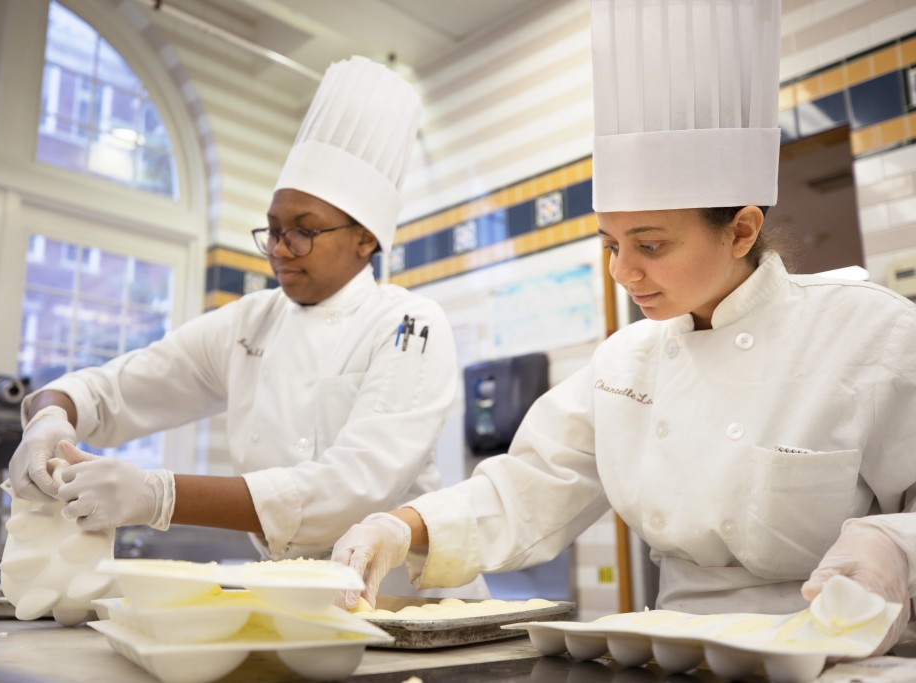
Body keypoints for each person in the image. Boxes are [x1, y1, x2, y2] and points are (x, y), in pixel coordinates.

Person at [331, 0, 916, 654]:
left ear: (742, 230)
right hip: (677, 657)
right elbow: (525, 491)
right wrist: (399, 526)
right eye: (610, 243)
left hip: (839, 659)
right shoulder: (625, 364)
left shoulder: (872, 335)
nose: (622, 270)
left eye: (651, 245)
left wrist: (893, 544)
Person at [7, 57, 473, 590]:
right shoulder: (250, 323)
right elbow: (116, 388)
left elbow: (352, 487)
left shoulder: (409, 322)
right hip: (293, 592)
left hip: (405, 600)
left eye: (302, 232)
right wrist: (51, 417)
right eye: (272, 230)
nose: (278, 250)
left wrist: (161, 495)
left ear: (365, 239)